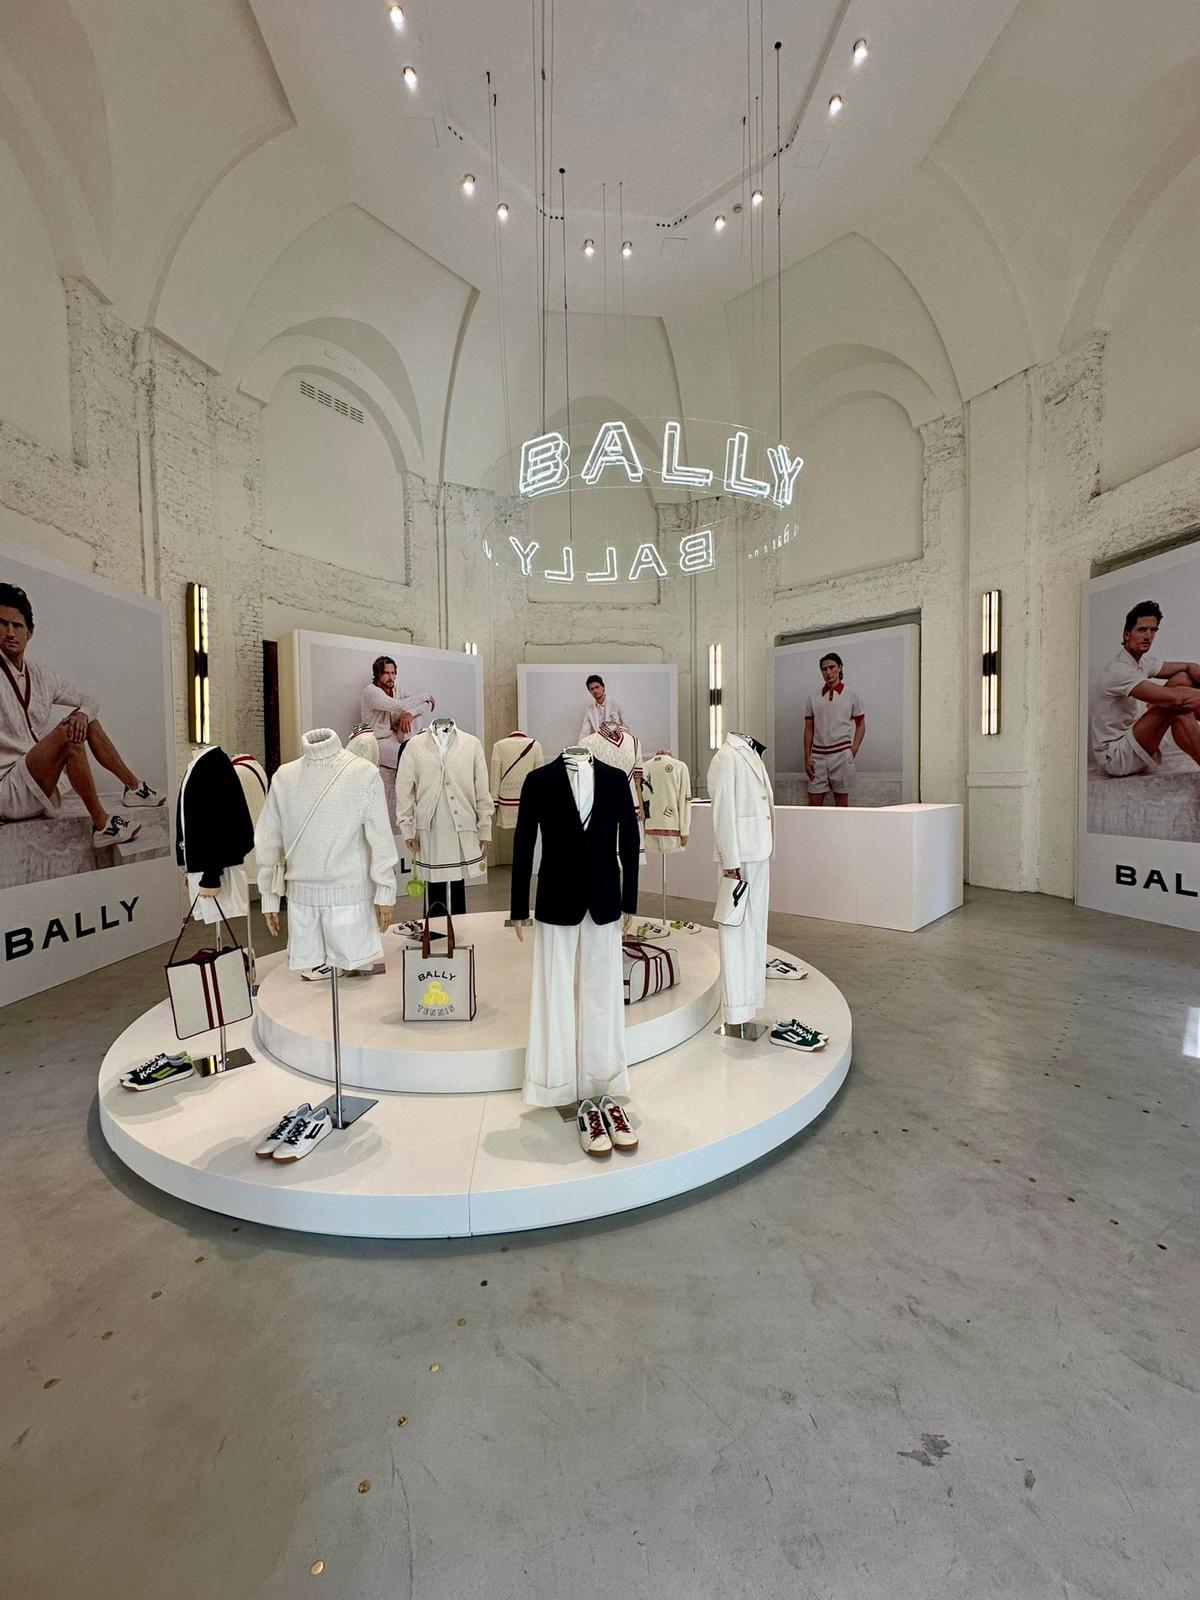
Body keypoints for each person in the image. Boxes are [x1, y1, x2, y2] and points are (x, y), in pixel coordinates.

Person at [0, 581, 162, 846]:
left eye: (16, 625)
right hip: (7, 790)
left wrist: (83, 714)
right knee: (70, 734)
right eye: (1, 624)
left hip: (36, 781)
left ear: (29, 633)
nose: (9, 632)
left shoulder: (40, 675)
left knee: (86, 719)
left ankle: (134, 788)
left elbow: (90, 700)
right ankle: (102, 824)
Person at [1089, 602, 1200, 777]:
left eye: (1152, 630)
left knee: (1182, 678)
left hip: (1134, 737)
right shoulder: (1118, 670)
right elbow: (1177, 699)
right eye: (1142, 630)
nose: (1148, 636)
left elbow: (1188, 667)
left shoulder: (1142, 662)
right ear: (1127, 634)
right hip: (1117, 756)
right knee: (1177, 706)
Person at [359, 654, 434, 828]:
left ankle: (413, 745)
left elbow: (424, 706)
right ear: (378, 675)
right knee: (410, 760)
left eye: (393, 673)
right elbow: (399, 705)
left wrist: (410, 714)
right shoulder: (371, 692)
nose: (391, 677)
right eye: (386, 673)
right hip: (377, 741)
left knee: (415, 717)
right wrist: (426, 695)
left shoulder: (397, 688)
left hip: (395, 736)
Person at [804, 652, 865, 807]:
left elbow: (861, 724)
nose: (828, 672)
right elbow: (809, 729)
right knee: (814, 807)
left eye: (832, 667)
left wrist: (853, 750)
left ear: (840, 668)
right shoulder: (813, 698)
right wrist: (807, 758)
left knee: (841, 808)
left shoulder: (852, 695)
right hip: (818, 757)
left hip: (841, 755)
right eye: (824, 669)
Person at [578, 673, 626, 741]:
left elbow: (627, 726)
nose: (595, 690)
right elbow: (584, 732)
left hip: (618, 741)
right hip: (601, 743)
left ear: (603, 687)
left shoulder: (616, 704)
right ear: (590, 692)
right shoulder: (589, 710)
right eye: (592, 689)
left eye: (597, 687)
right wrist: (579, 746)